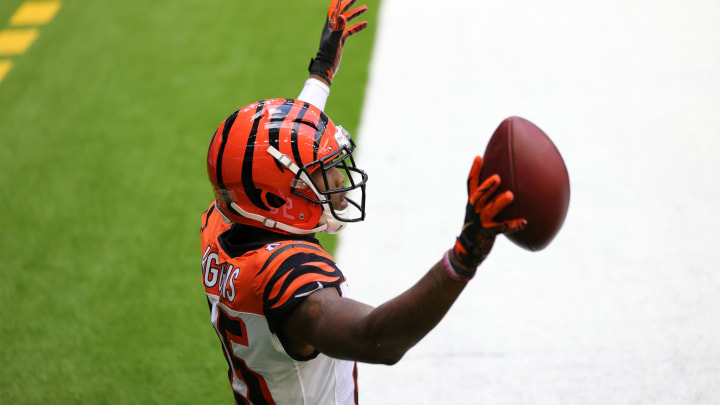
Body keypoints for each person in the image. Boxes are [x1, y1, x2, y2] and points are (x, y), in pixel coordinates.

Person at [200, 1, 526, 403]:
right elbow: (377, 339)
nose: (338, 178)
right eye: (324, 172)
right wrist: (464, 257)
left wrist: (322, 71)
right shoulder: (289, 275)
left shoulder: (221, 222)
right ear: (273, 198)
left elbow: (269, 154)